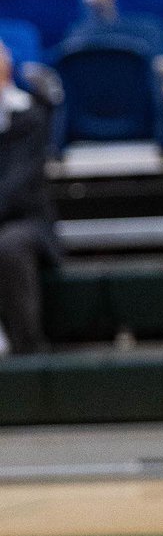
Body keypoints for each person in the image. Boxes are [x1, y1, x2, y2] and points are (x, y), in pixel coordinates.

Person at [0, 44, 57, 355]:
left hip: (26, 222)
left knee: (8, 245)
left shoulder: (30, 117)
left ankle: (28, 349)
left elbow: (16, 185)